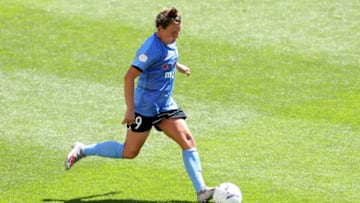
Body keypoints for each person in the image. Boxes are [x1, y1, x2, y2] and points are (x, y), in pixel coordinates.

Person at [65, 7, 214, 202]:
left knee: (187, 141)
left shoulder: (169, 41)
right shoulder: (149, 48)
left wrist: (177, 65)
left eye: (179, 32)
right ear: (160, 28)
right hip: (143, 107)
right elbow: (129, 78)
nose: (176, 36)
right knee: (129, 152)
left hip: (165, 105)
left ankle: (201, 191)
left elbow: (166, 57)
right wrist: (130, 109)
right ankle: (83, 149)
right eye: (173, 32)